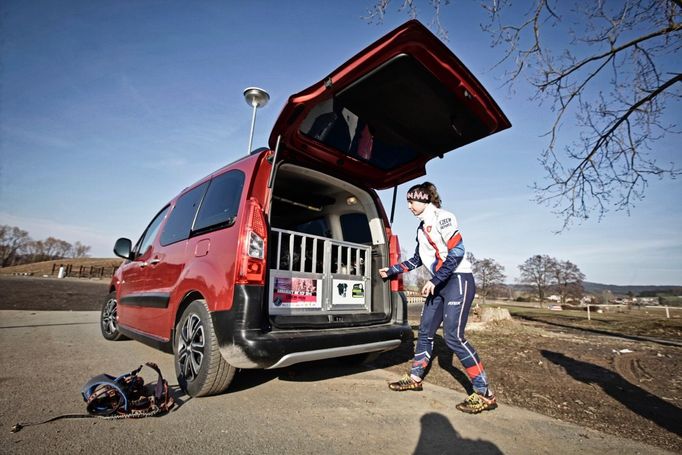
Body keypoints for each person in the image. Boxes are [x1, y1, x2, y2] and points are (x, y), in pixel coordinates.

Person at [379, 182, 497, 414]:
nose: (409, 206)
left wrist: (435, 280)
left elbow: (457, 252)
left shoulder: (444, 218)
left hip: (457, 280)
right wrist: (392, 270)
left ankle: (485, 394)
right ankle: (415, 378)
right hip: (440, 283)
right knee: (424, 332)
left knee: (454, 338)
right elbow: (417, 260)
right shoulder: (421, 228)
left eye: (411, 201)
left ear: (423, 199)